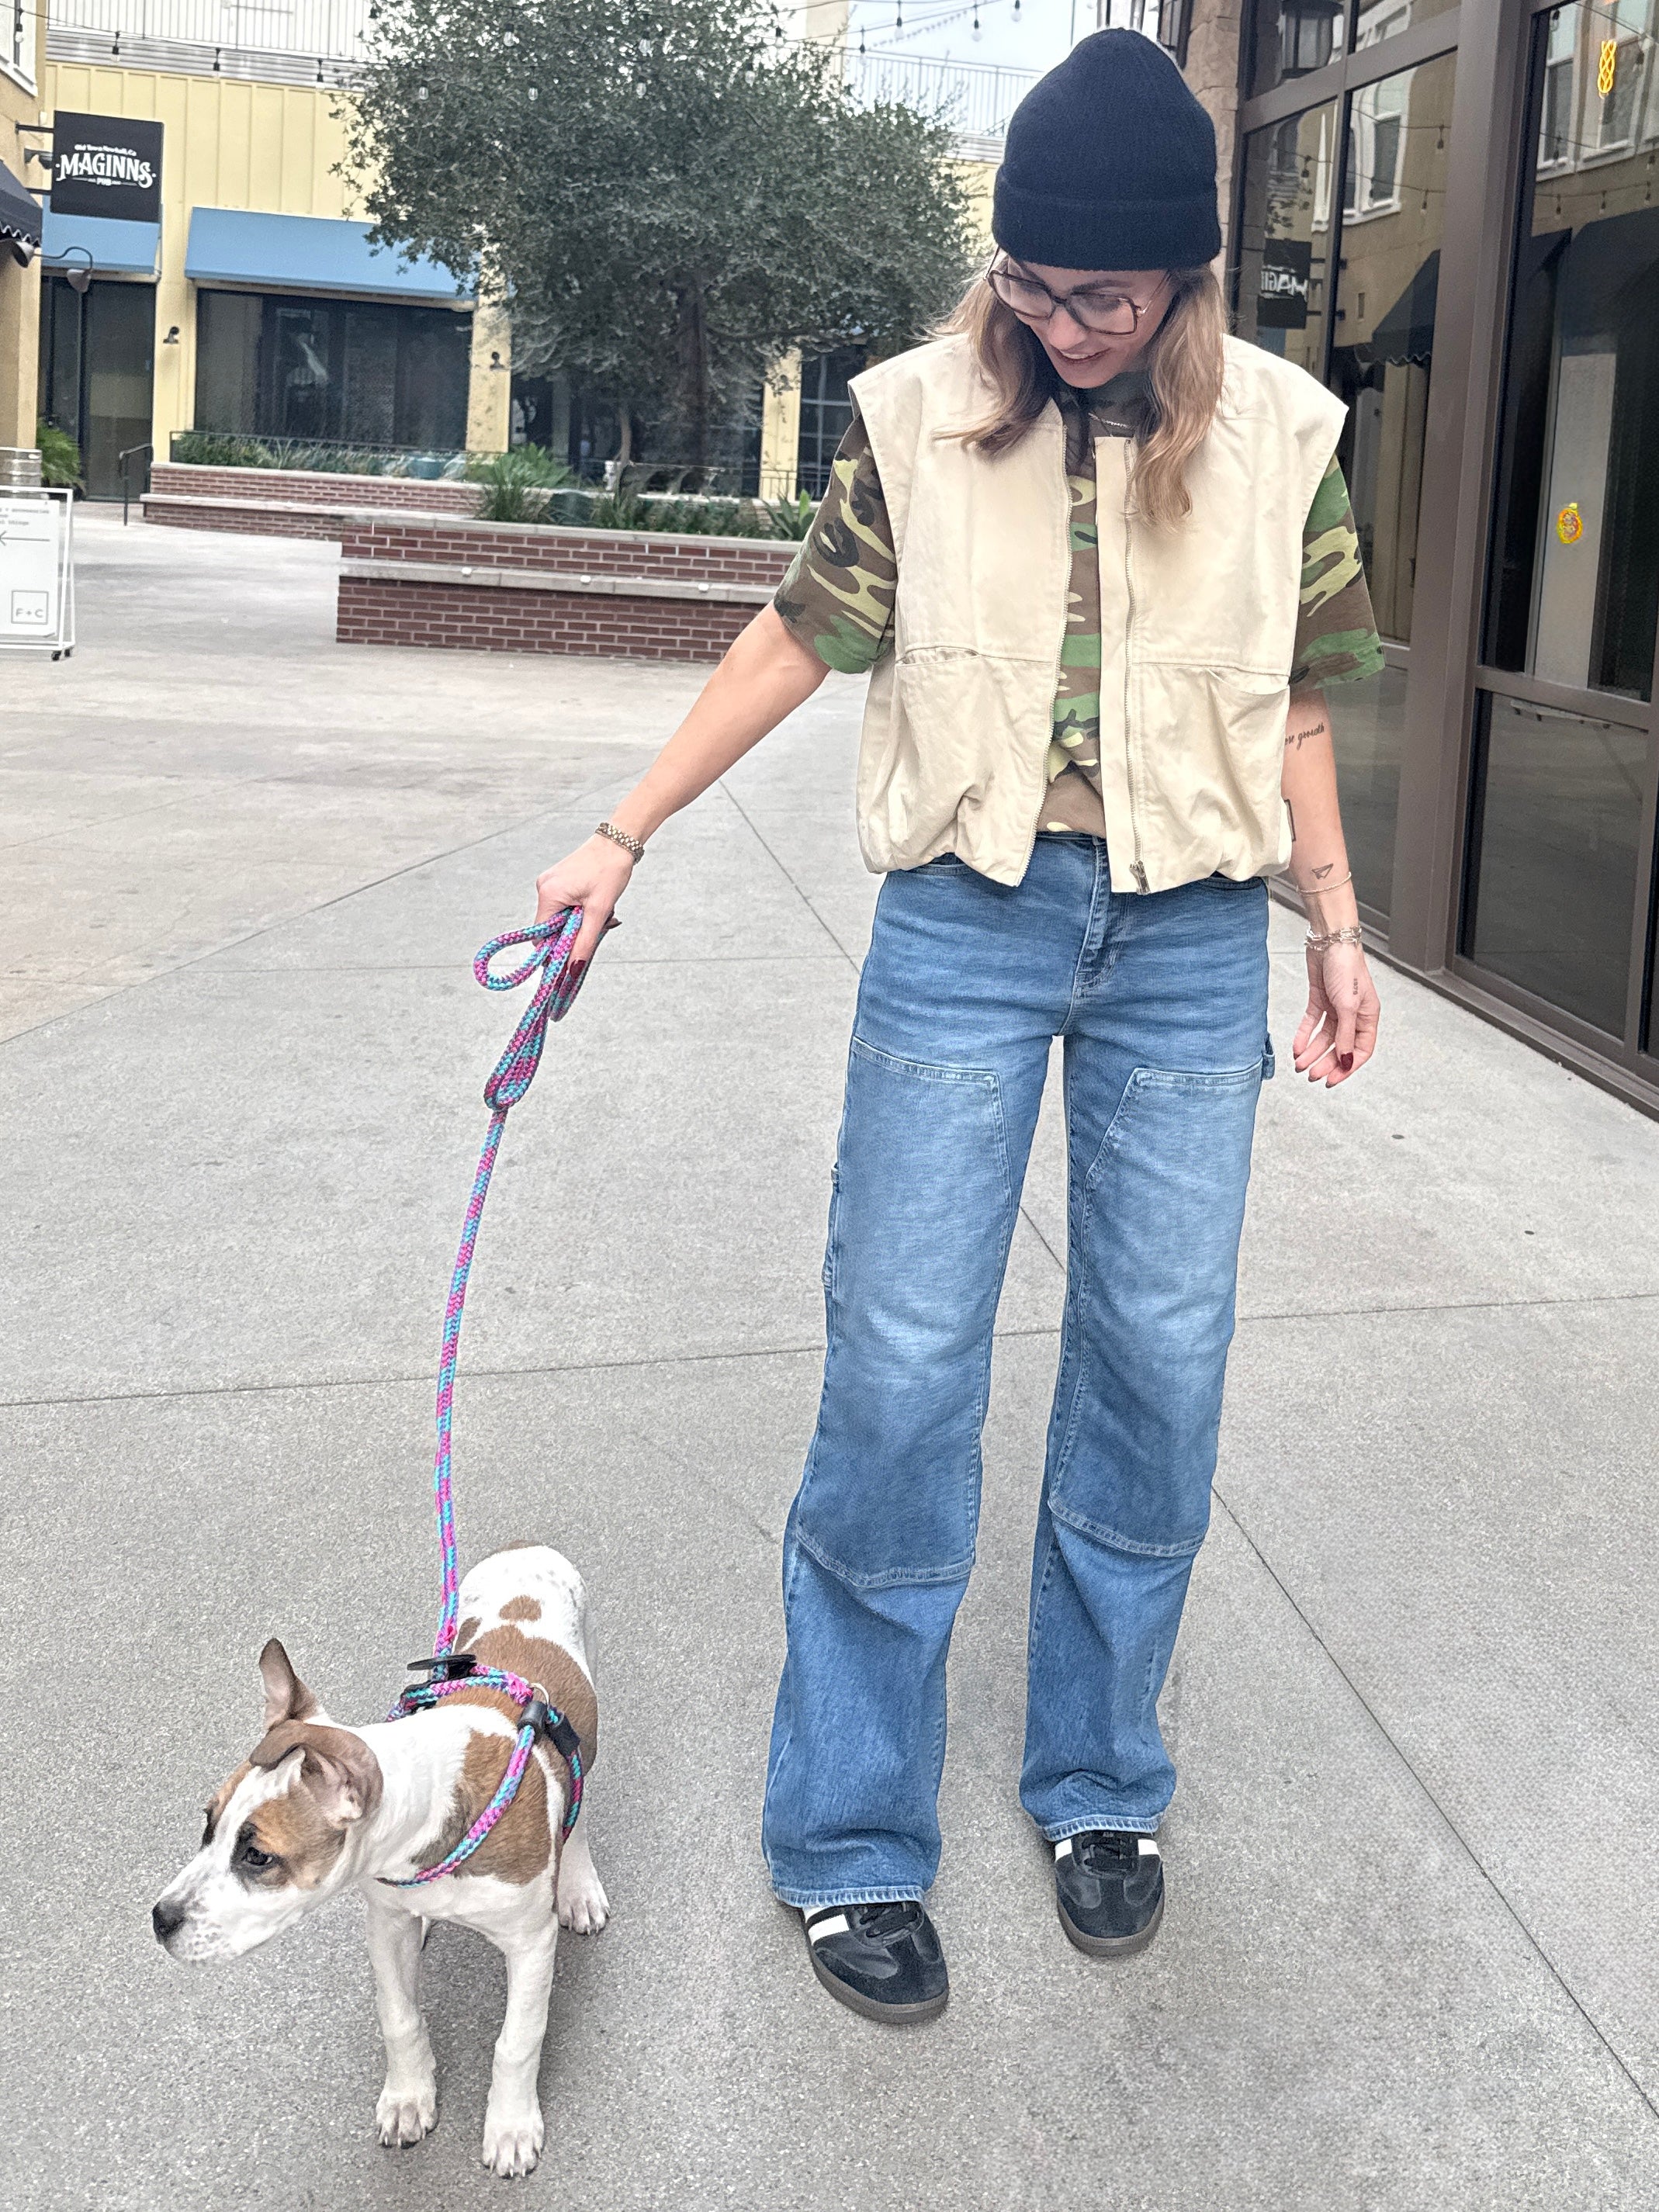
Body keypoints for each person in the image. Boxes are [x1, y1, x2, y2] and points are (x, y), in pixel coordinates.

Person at [532, 29, 1383, 2024]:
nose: (1062, 325)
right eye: (1030, 284)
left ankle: (1101, 1777)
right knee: (905, 1365)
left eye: (1104, 296)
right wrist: (619, 833)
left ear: (1181, 279)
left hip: (1190, 935)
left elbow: (1297, 699)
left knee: (1159, 1360)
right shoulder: (920, 417)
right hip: (965, 922)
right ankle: (849, 1828)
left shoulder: (1281, 435)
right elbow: (797, 635)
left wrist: (1336, 924)